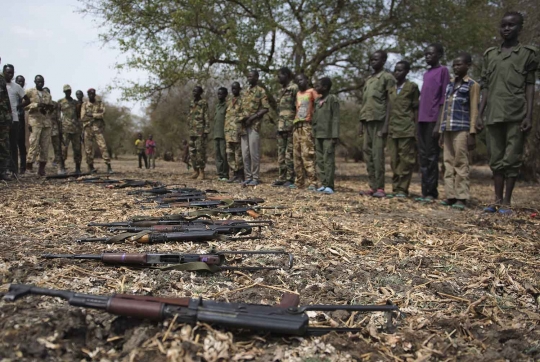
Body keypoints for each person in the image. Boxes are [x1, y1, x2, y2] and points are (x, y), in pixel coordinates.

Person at [477, 11, 539, 214]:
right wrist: (479, 113)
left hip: (516, 113)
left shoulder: (527, 54)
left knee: (512, 158)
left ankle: (507, 201)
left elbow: (530, 86)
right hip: (493, 113)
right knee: (495, 158)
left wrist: (529, 115)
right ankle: (495, 200)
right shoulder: (490, 55)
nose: (506, 29)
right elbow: (485, 86)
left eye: (511, 25)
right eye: (503, 25)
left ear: (520, 28)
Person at [438, 53, 480, 210]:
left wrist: (472, 133)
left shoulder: (472, 85)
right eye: (454, 65)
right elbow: (445, 110)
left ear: (468, 65)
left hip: (462, 129)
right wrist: (442, 132)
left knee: (460, 163)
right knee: (447, 163)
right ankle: (451, 195)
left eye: (459, 64)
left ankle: (462, 197)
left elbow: (474, 109)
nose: (456, 67)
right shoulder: (449, 85)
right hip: (447, 129)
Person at [358, 50, 395, 198]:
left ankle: (380, 187)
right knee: (367, 154)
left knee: (378, 155)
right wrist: (361, 123)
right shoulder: (368, 79)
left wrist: (386, 125)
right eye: (371, 59)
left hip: (379, 121)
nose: (373, 62)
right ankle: (372, 186)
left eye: (376, 59)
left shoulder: (387, 78)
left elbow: (390, 103)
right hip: (367, 121)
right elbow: (364, 103)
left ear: (384, 60)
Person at [417, 43, 450, 203]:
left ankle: (432, 192)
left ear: (439, 55)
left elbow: (444, 98)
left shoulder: (443, 71)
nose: (428, 57)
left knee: (431, 157)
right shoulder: (426, 73)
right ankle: (424, 191)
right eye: (426, 54)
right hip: (421, 120)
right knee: (423, 157)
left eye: (431, 54)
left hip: (433, 119)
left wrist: (439, 123)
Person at [387, 61, 419, 198]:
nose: (397, 73)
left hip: (407, 128)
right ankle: (395, 188)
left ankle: (402, 189)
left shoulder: (412, 87)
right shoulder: (391, 88)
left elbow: (416, 108)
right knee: (394, 160)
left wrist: (416, 127)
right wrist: (385, 127)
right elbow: (389, 108)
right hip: (393, 128)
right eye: (395, 70)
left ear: (407, 72)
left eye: (400, 70)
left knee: (406, 160)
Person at [240, 70, 270, 186]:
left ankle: (255, 177)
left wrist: (252, 118)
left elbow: (265, 108)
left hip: (254, 125)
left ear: (257, 77)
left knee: (254, 153)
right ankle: (248, 176)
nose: (249, 78)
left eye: (251, 76)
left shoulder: (261, 91)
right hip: (243, 126)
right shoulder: (245, 92)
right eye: (248, 76)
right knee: (245, 153)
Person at [290, 74, 318, 190]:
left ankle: (312, 182)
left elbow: (318, 106)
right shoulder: (297, 94)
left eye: (301, 79)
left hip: (307, 125)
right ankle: (299, 182)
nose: (300, 82)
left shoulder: (312, 92)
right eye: (297, 81)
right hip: (297, 125)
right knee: (296, 155)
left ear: (307, 80)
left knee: (307, 154)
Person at [313, 77, 340, 194]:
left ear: (325, 87)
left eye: (318, 86)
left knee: (328, 160)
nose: (315, 88)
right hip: (318, 135)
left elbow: (335, 118)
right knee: (320, 160)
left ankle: (329, 185)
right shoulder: (317, 101)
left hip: (328, 136)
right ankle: (323, 183)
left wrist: (335, 135)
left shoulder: (332, 99)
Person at [25, 75, 54, 176]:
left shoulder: (47, 94)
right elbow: (23, 105)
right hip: (35, 121)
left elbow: (50, 107)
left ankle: (41, 169)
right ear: (35, 82)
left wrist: (48, 108)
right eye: (38, 81)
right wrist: (36, 105)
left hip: (46, 123)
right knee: (33, 144)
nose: (40, 83)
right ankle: (29, 168)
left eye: (41, 81)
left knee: (45, 146)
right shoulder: (30, 92)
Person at [4, 65, 29, 176]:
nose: (10, 75)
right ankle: (4, 169)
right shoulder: (1, 85)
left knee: (14, 145)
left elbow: (27, 100)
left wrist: (18, 106)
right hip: (2, 121)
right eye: (8, 72)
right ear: (4, 72)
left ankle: (14, 171)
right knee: (4, 146)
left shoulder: (16, 87)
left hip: (14, 120)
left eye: (12, 73)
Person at [273, 67, 296, 187]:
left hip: (291, 126)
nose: (278, 78)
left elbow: (299, 106)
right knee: (281, 154)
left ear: (286, 75)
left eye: (280, 75)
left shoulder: (294, 89)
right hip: (281, 127)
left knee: (289, 154)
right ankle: (282, 177)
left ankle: (291, 178)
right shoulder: (280, 91)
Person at [81, 88, 113, 174]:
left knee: (103, 147)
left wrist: (92, 115)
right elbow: (83, 117)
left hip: (98, 129)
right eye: (90, 94)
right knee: (88, 150)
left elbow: (102, 115)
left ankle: (109, 166)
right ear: (88, 95)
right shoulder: (84, 105)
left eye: (93, 94)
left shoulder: (100, 104)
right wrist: (96, 116)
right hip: (88, 129)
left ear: (95, 94)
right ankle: (90, 167)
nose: (91, 95)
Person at [58, 84, 82, 175]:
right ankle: (62, 167)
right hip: (65, 128)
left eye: (69, 91)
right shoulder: (60, 102)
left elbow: (79, 115)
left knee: (77, 149)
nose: (68, 92)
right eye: (66, 91)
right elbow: (57, 115)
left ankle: (78, 168)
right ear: (64, 92)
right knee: (64, 148)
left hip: (75, 129)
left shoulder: (75, 102)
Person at [188, 86, 209, 180]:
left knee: (200, 152)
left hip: (200, 131)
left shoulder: (203, 103)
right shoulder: (192, 102)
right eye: (193, 90)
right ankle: (195, 171)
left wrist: (206, 130)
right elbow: (190, 116)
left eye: (196, 91)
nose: (194, 92)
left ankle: (201, 172)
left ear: (200, 92)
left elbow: (206, 116)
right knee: (192, 152)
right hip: (192, 131)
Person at [225, 82, 244, 183]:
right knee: (229, 154)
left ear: (239, 89)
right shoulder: (229, 100)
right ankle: (234, 173)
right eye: (232, 88)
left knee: (238, 154)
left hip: (237, 130)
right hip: (228, 132)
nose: (234, 90)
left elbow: (245, 113)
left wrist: (239, 119)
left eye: (236, 88)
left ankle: (240, 174)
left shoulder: (243, 100)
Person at [43, 87, 64, 174]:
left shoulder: (55, 104)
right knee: (43, 149)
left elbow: (59, 118)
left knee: (57, 149)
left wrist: (60, 130)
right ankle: (42, 168)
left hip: (54, 128)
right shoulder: (40, 105)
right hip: (44, 128)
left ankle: (60, 168)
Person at [0, 57, 13, 181]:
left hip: (3, 119)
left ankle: (2, 172)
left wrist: (9, 114)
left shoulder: (2, 80)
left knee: (4, 145)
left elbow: (6, 98)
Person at [213, 87, 229, 181]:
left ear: (225, 94)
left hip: (223, 134)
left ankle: (225, 174)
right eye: (218, 94)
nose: (220, 95)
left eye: (222, 94)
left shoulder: (227, 105)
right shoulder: (217, 106)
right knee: (218, 155)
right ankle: (220, 174)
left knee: (224, 155)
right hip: (216, 134)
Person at [15, 75, 27, 174]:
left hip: (21, 120)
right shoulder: (11, 91)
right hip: (12, 120)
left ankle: (23, 168)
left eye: (22, 82)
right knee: (12, 144)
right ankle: (12, 168)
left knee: (21, 144)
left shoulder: (25, 94)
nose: (20, 83)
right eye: (19, 81)